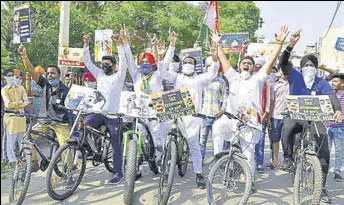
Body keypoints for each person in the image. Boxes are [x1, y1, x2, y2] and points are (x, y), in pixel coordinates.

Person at [213, 25, 289, 193]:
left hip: (251, 124)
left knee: (249, 156)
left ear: (253, 68)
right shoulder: (233, 77)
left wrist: (279, 44)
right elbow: (224, 60)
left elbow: (270, 61)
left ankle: (250, 181)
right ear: (239, 66)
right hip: (232, 120)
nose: (246, 65)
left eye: (249, 63)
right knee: (217, 126)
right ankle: (219, 159)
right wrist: (218, 44)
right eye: (243, 63)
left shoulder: (258, 79)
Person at [279, 30, 342, 204]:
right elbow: (283, 62)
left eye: (312, 66)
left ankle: (320, 188)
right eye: (305, 65)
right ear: (301, 68)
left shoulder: (321, 82)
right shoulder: (294, 77)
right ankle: (288, 157)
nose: (309, 68)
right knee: (288, 128)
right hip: (296, 116)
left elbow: (332, 97)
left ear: (316, 69)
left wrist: (337, 110)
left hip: (314, 119)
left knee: (324, 151)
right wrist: (290, 45)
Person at [158, 31, 220, 189]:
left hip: (193, 117)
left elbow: (213, 72)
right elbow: (163, 71)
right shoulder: (177, 77)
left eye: (191, 62)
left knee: (194, 145)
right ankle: (165, 169)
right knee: (165, 139)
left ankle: (198, 173)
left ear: (195, 65)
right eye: (185, 61)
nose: (187, 63)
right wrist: (170, 47)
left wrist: (214, 55)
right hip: (174, 114)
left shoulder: (200, 78)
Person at [122, 28, 172, 170]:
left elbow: (165, 61)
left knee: (158, 140)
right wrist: (125, 43)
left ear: (152, 63)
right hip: (140, 113)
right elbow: (129, 60)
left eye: (147, 61)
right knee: (139, 139)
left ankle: (160, 161)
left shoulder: (158, 75)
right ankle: (135, 164)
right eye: (142, 61)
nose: (144, 63)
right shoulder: (136, 75)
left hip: (155, 113)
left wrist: (171, 45)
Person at [83, 29, 127, 184]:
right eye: (103, 63)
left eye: (108, 64)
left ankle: (118, 173)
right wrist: (86, 45)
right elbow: (87, 63)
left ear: (114, 66)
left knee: (116, 145)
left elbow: (124, 63)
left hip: (113, 116)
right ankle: (91, 150)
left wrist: (120, 44)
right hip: (98, 112)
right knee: (83, 126)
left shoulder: (119, 76)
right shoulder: (99, 74)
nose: (104, 65)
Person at [18, 44, 71, 173]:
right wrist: (24, 56)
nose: (49, 75)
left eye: (52, 73)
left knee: (66, 147)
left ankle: (68, 173)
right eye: (48, 73)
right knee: (27, 138)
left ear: (59, 74)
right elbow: (31, 70)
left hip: (60, 124)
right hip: (44, 121)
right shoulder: (45, 85)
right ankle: (34, 163)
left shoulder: (67, 90)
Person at [199, 56, 227, 161]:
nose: (211, 68)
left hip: (217, 116)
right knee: (201, 142)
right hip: (203, 115)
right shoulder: (201, 81)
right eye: (208, 65)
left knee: (217, 142)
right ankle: (200, 164)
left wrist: (222, 111)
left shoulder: (221, 82)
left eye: (213, 65)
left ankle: (218, 163)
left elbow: (225, 97)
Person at [1, 68, 29, 167]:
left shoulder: (21, 88)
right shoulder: (4, 90)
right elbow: (8, 104)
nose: (11, 77)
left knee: (22, 140)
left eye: (12, 75)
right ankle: (11, 160)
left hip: (21, 117)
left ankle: (23, 158)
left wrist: (18, 104)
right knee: (10, 141)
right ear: (5, 77)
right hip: (11, 118)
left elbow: (26, 102)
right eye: (8, 76)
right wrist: (20, 103)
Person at [253, 57, 272, 173]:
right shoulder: (250, 79)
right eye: (256, 66)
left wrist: (266, 111)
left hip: (262, 114)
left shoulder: (267, 81)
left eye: (260, 67)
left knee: (260, 140)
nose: (258, 69)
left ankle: (259, 162)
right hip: (249, 114)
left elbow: (268, 98)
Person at [325, 73, 344, 182]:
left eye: (336, 81)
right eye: (332, 81)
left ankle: (337, 171)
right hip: (328, 126)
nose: (333, 83)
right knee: (325, 151)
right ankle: (324, 170)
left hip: (340, 127)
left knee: (339, 151)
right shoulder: (329, 95)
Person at [269, 70, 289, 169]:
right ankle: (275, 160)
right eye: (282, 70)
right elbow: (272, 101)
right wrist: (269, 116)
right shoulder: (274, 85)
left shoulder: (293, 84)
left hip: (289, 116)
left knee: (287, 140)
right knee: (275, 140)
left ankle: (288, 161)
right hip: (276, 116)